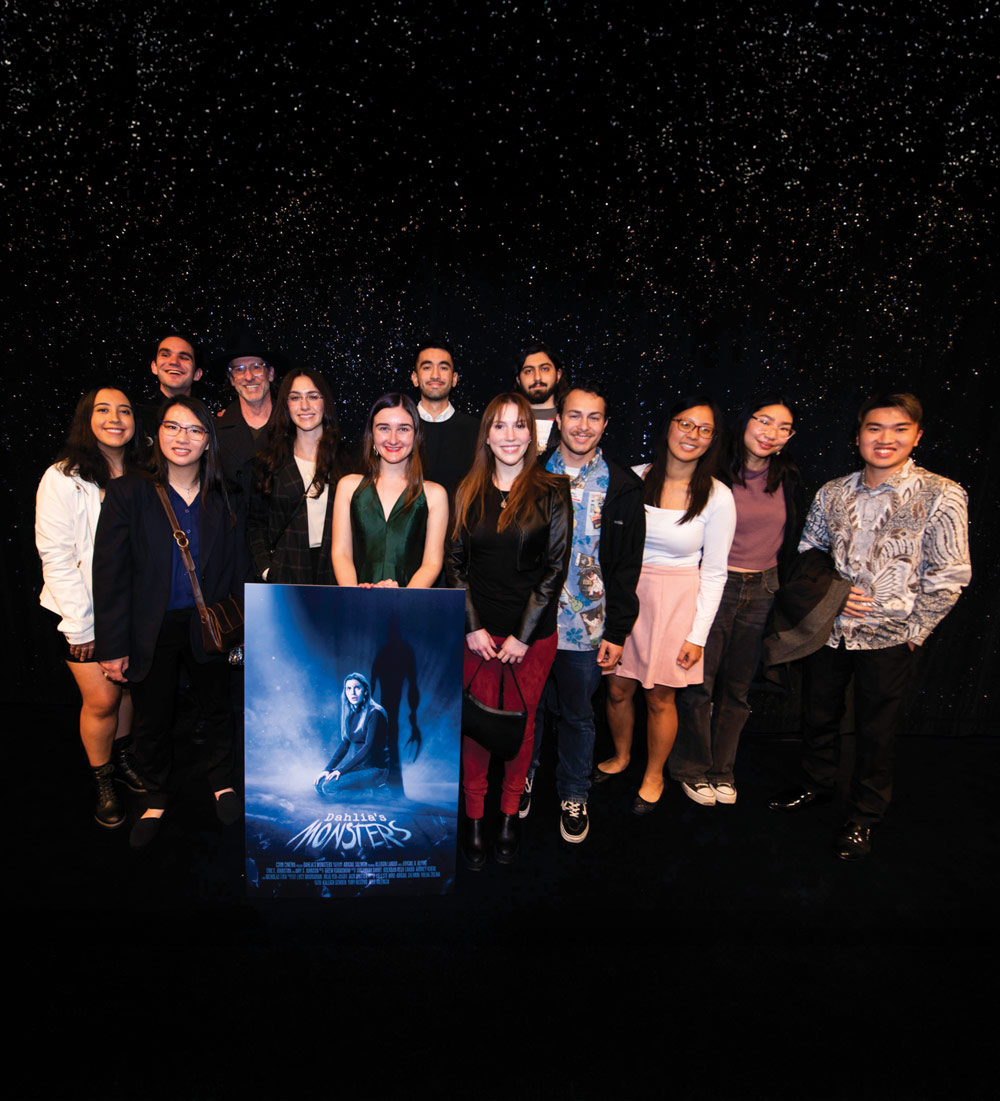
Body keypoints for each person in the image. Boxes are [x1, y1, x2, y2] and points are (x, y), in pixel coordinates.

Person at [769, 393, 970, 860]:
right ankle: (816, 784)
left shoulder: (942, 494)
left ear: (917, 436)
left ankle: (864, 815)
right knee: (817, 714)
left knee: (877, 731)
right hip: (829, 630)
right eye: (874, 428)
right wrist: (828, 597)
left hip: (890, 637)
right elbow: (808, 552)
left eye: (899, 429)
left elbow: (951, 574)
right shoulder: (833, 492)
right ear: (858, 435)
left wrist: (916, 632)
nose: (885, 438)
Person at [94, 395, 250, 849]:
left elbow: (240, 569)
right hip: (150, 627)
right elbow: (109, 574)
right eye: (173, 427)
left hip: (209, 624)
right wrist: (112, 645)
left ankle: (221, 779)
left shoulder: (227, 495)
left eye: (195, 430)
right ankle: (156, 794)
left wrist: (241, 633)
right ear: (157, 433)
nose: (183, 438)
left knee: (217, 707)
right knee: (152, 716)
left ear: (208, 441)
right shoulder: (129, 492)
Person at [447, 392, 571, 868]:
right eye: (499, 426)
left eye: (520, 426)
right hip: (476, 637)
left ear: (532, 434)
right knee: (476, 728)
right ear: (487, 435)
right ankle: (475, 817)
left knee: (520, 728)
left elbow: (554, 570)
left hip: (532, 638)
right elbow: (456, 566)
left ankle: (507, 815)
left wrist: (522, 636)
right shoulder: (467, 489)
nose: (510, 436)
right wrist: (474, 628)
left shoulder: (553, 490)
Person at [597, 396, 736, 813]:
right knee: (617, 688)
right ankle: (621, 757)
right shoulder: (633, 478)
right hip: (625, 596)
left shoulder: (718, 495)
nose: (692, 434)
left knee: (660, 697)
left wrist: (698, 635)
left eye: (704, 429)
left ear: (713, 440)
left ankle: (654, 773)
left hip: (677, 602)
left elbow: (714, 573)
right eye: (685, 423)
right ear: (668, 427)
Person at [521, 383, 645, 844]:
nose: (583, 426)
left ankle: (574, 793)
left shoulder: (624, 485)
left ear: (606, 425)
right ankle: (523, 780)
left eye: (594, 417)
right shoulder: (530, 476)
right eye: (574, 415)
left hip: (587, 629)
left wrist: (618, 631)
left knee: (577, 716)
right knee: (527, 710)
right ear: (558, 421)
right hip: (532, 626)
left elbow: (628, 566)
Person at [671, 393, 804, 806]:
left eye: (783, 428)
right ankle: (691, 768)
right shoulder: (715, 474)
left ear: (789, 438)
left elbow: (796, 540)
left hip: (762, 590)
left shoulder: (791, 478)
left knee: (739, 688)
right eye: (765, 421)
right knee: (698, 685)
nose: (772, 433)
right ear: (746, 422)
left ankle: (721, 769)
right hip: (716, 586)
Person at [35, 387, 147, 828]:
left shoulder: (143, 472)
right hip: (83, 614)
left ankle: (123, 760)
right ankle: (103, 780)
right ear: (88, 418)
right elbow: (57, 557)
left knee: (128, 690)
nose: (115, 418)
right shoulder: (63, 477)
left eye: (124, 410)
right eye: (104, 410)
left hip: (135, 610)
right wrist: (82, 628)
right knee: (102, 699)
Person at [331, 393, 448, 588]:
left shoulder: (434, 495)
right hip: (357, 603)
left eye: (403, 429)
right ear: (372, 434)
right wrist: (354, 595)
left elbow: (432, 563)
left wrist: (401, 598)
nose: (393, 439)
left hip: (410, 606)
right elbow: (340, 553)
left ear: (416, 435)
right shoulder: (348, 487)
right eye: (384, 428)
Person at [248, 369, 350, 584]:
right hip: (286, 572)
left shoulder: (348, 461)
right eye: (295, 398)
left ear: (325, 402)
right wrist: (266, 568)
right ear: (286, 404)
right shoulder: (269, 460)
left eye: (313, 396)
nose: (305, 406)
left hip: (338, 572)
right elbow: (255, 523)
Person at [410, 340, 479, 501]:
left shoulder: (477, 430)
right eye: (427, 367)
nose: (435, 375)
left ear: (454, 378)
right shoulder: (399, 430)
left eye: (443, 367)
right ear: (415, 378)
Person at [214, 332, 279, 486]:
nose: (249, 377)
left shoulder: (293, 425)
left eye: (256, 367)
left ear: (270, 374)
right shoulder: (216, 430)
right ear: (231, 379)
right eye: (240, 369)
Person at [314, 673, 390, 794]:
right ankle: (365, 791)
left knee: (329, 787)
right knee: (320, 784)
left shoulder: (375, 713)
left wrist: (342, 771)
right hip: (360, 767)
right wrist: (327, 769)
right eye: (348, 688)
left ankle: (375, 792)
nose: (352, 692)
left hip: (376, 769)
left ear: (365, 690)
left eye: (357, 688)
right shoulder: (351, 715)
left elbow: (368, 747)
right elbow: (344, 745)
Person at [135, 330, 202, 441]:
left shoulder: (208, 421)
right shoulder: (136, 417)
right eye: (165, 355)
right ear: (154, 367)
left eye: (184, 357)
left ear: (197, 374)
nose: (174, 362)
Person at [514, 341, 569, 452]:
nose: (537, 377)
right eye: (529, 371)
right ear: (518, 380)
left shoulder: (571, 420)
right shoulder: (506, 420)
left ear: (558, 375)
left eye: (544, 369)